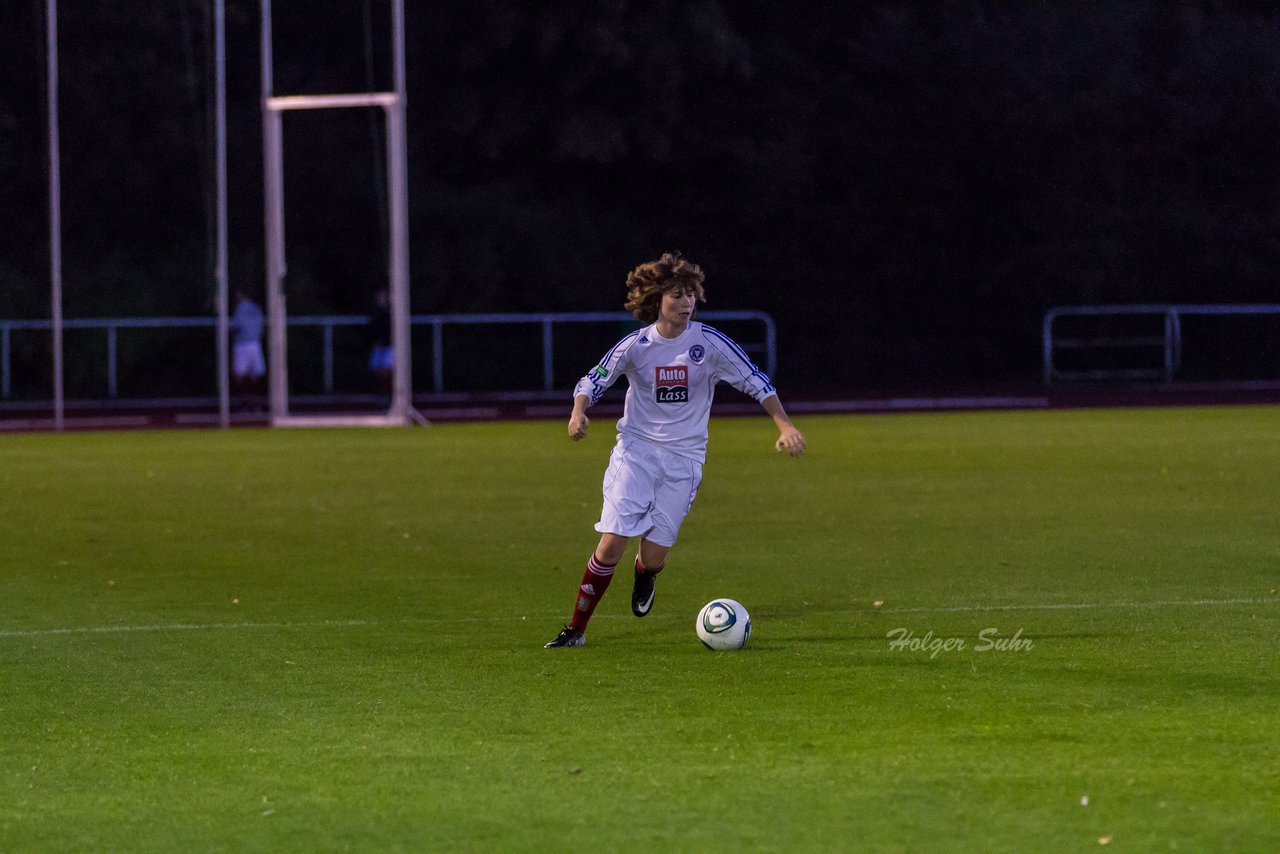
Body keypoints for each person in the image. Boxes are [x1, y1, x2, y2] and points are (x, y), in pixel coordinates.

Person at [545, 252, 807, 648]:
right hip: (636, 452)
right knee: (611, 542)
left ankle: (645, 574)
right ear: (656, 300)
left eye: (690, 295)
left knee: (652, 556)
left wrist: (784, 424)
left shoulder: (710, 344)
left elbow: (756, 381)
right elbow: (593, 380)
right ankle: (577, 629)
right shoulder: (636, 346)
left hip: (684, 461)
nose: (686, 303)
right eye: (676, 296)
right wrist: (578, 412)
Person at [230, 289, 265, 412]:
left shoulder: (241, 308)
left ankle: (243, 404)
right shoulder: (256, 307)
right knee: (255, 375)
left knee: (240, 375)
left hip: (242, 344)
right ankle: (256, 405)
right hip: (255, 344)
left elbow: (236, 325)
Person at [367, 288, 394, 407]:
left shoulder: (392, 314)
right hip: (378, 347)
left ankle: (389, 397)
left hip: (389, 347)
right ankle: (380, 397)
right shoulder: (375, 314)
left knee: (388, 372)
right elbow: (371, 330)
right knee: (377, 373)